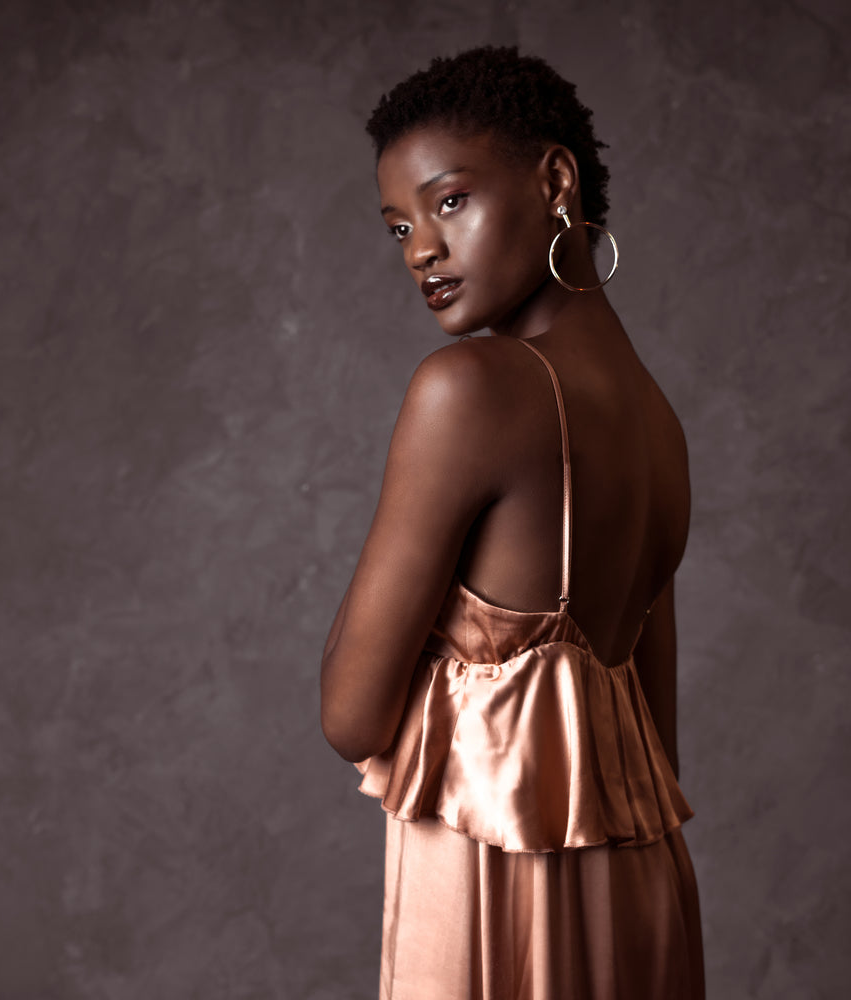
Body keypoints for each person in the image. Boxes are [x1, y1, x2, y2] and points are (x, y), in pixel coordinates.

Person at [319, 46, 705, 999]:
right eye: (399, 226)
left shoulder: (470, 391)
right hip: (641, 906)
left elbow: (351, 714)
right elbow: (656, 747)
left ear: (556, 181)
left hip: (500, 910)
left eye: (449, 201)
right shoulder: (659, 427)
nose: (420, 249)